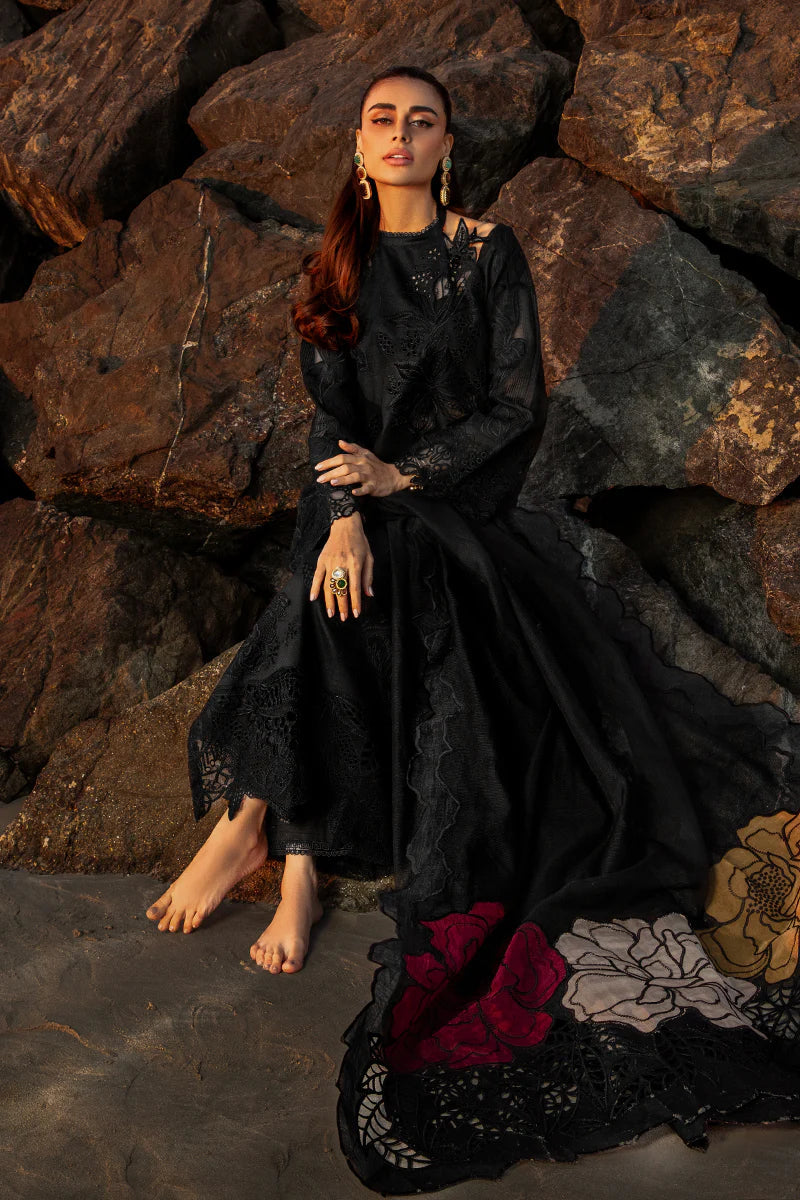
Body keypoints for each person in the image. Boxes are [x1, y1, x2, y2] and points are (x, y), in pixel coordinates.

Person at [146, 65, 800, 1194]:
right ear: (358, 146)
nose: (399, 135)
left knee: (362, 569)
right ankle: (280, 848)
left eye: (422, 122)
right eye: (381, 120)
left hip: (457, 507)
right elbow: (329, 414)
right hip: (354, 501)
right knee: (333, 563)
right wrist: (348, 512)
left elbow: (513, 407)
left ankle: (272, 833)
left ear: (447, 145)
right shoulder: (337, 261)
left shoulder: (486, 253)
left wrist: (400, 481)